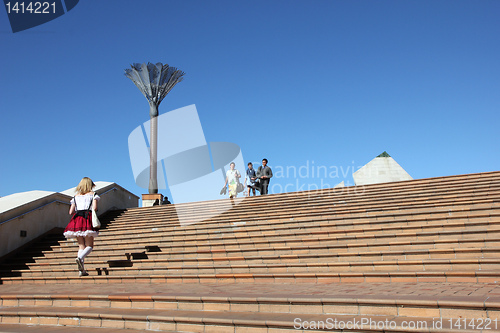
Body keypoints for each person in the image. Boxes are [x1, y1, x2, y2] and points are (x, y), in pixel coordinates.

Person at [63, 177, 100, 276]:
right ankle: (80, 258)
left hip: (77, 219)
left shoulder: (75, 197)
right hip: (87, 218)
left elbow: (71, 212)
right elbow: (95, 208)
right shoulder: (94, 195)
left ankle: (81, 270)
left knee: (81, 245)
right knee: (90, 245)